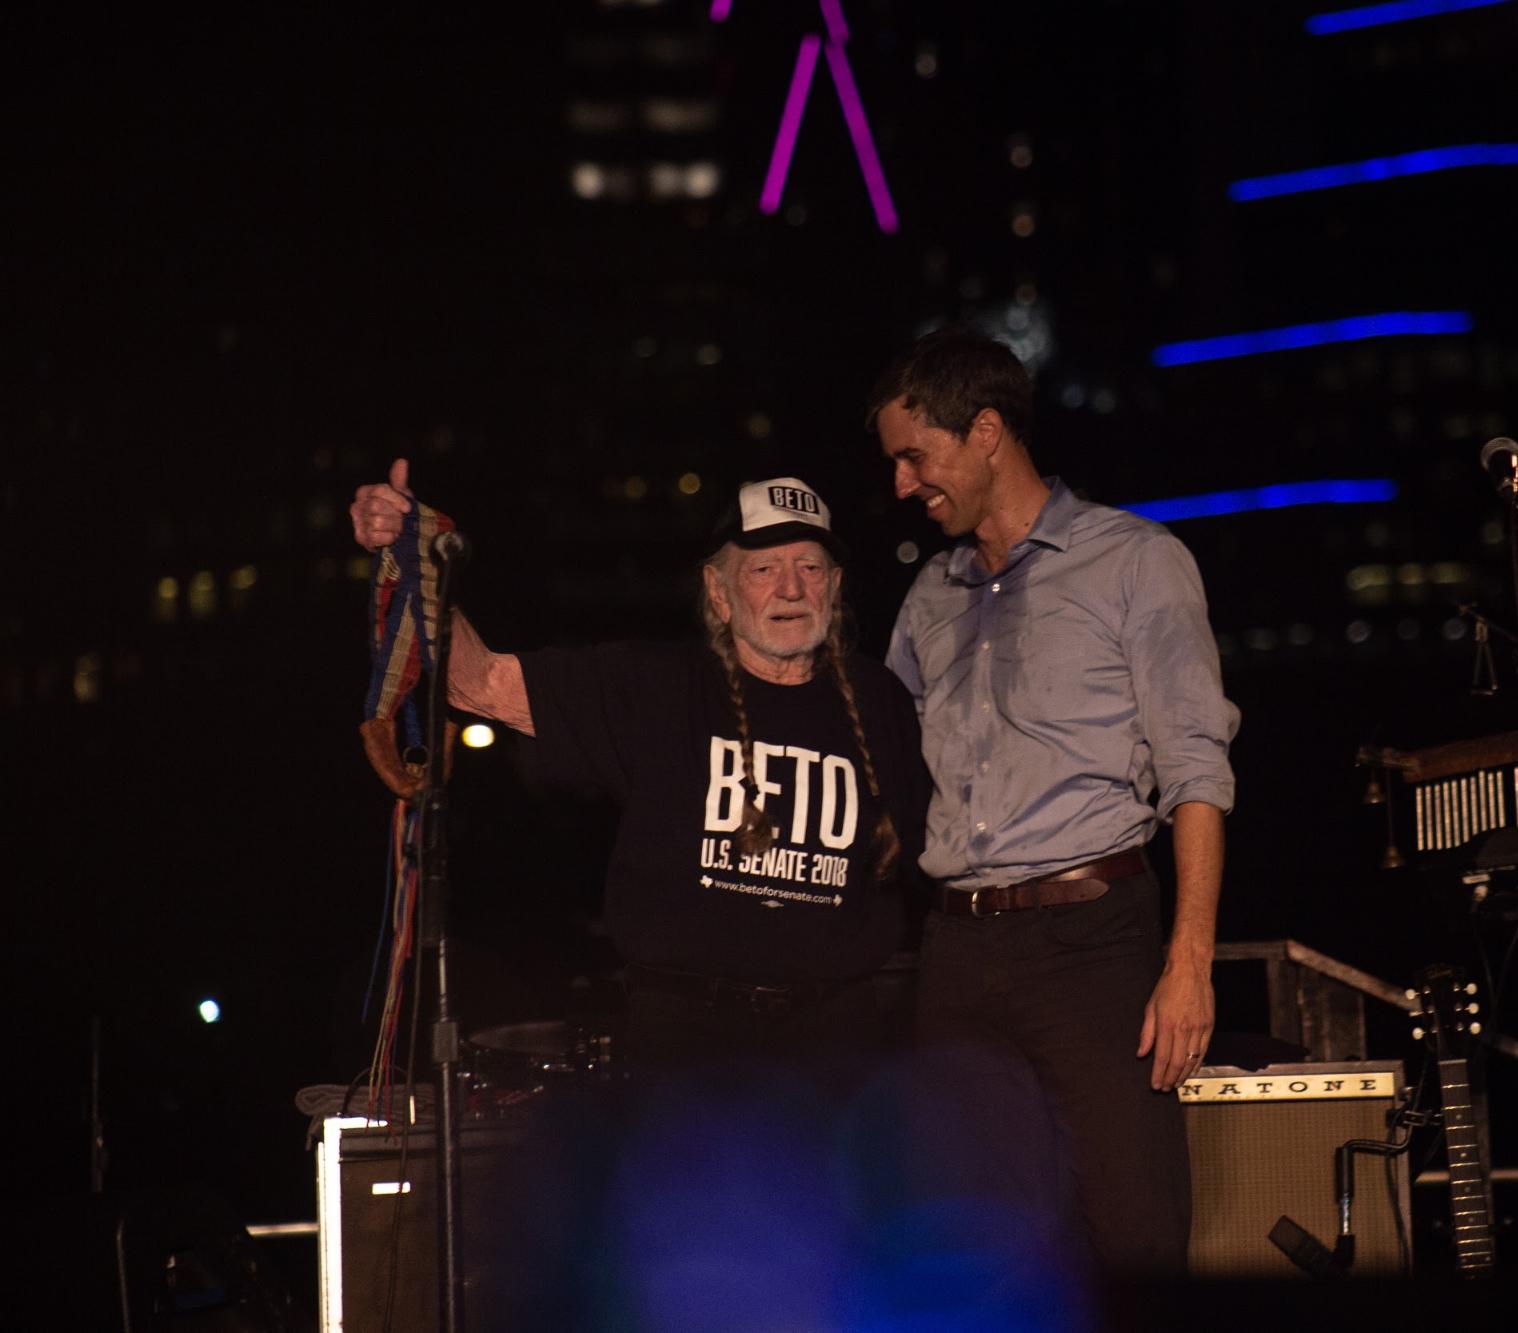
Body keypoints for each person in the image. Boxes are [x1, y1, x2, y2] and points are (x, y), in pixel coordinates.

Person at [349, 462, 928, 1069]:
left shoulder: (883, 701)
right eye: (763, 568)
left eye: (809, 567)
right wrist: (413, 555)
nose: (791, 588)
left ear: (834, 588)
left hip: (838, 1047)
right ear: (718, 591)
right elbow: (479, 684)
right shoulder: (652, 687)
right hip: (685, 1047)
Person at [869, 328, 1238, 1275]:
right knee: (963, 1244)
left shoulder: (1133, 562)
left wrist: (1188, 962)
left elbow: (1195, 767)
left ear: (985, 430)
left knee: (1133, 1232)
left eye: (916, 455)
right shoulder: (928, 597)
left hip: (1091, 939)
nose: (902, 484)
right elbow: (884, 776)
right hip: (957, 948)